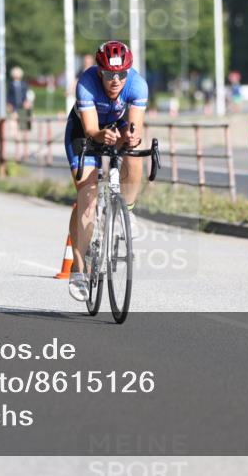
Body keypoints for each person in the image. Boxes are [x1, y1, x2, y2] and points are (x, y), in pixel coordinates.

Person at [64, 40, 148, 301]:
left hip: (117, 126)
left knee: (134, 155)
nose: (116, 80)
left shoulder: (137, 85)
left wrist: (128, 139)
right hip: (84, 133)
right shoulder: (86, 84)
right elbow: (91, 130)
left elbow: (135, 128)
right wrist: (103, 135)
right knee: (87, 199)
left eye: (121, 74)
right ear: (100, 71)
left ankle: (128, 210)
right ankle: (79, 269)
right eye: (110, 74)